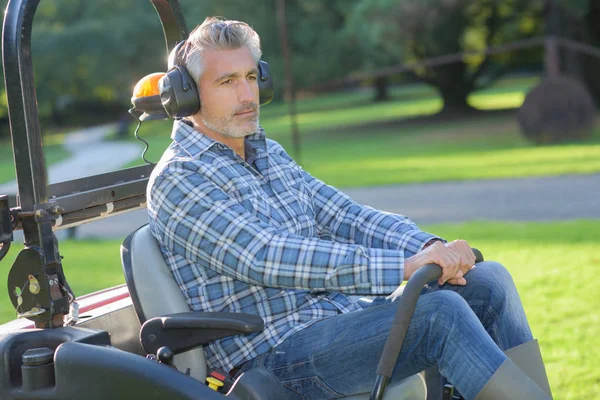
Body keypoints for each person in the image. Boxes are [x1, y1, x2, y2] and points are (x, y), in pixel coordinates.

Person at [147, 17, 552, 400]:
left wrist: (432, 247)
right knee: (438, 316)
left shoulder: (268, 154)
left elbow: (347, 216)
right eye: (228, 81)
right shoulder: (180, 178)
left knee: (488, 281)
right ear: (188, 96)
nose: (247, 94)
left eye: (251, 77)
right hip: (271, 356)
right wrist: (404, 267)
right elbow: (267, 256)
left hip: (332, 321)